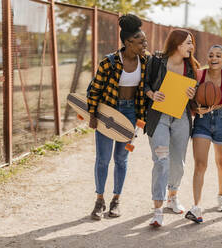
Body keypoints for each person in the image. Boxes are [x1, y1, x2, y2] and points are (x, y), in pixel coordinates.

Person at [87, 14, 148, 221]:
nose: (145, 45)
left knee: (122, 158)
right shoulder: (109, 62)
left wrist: (142, 119)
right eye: (141, 42)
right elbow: (94, 90)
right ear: (128, 42)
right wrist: (93, 114)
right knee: (103, 159)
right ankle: (99, 200)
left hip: (131, 114)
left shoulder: (146, 61)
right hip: (108, 112)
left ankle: (116, 200)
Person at [144, 29, 200, 227]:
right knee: (161, 160)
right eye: (187, 43)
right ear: (176, 44)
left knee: (178, 163)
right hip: (159, 117)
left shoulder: (192, 67)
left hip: (181, 118)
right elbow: (145, 85)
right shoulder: (157, 61)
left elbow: (198, 94)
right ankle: (157, 211)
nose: (191, 47)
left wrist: (193, 93)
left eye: (191, 43)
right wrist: (152, 94)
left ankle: (172, 196)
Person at [185, 45, 222, 223]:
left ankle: (221, 196)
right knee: (200, 164)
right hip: (202, 121)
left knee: (221, 162)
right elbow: (189, 97)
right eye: (211, 55)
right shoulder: (200, 74)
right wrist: (197, 108)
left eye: (218, 55)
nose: (214, 58)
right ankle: (196, 207)